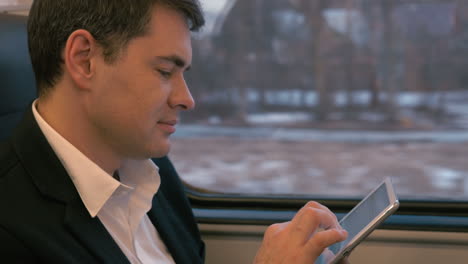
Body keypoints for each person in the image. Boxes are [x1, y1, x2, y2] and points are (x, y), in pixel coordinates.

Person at [0, 0, 348, 263]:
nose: (187, 99)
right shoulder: (12, 231)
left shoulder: (154, 175)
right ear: (84, 59)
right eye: (165, 71)